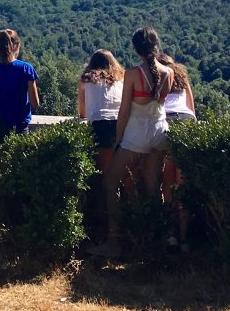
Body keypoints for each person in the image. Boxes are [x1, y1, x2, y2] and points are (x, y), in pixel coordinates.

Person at [90, 27, 174, 257]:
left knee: (110, 183)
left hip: (137, 135)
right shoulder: (169, 72)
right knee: (152, 186)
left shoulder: (133, 74)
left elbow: (125, 110)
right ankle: (156, 240)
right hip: (160, 132)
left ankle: (115, 240)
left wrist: (118, 140)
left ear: (136, 48)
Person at [159, 53, 196, 252]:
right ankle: (185, 237)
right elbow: (191, 108)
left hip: (167, 122)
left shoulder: (157, 80)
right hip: (186, 122)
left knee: (167, 184)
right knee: (182, 184)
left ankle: (170, 233)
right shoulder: (183, 80)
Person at [77, 49, 124, 173]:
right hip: (120, 123)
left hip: (100, 122)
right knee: (121, 170)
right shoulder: (121, 80)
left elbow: (82, 111)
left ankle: (107, 192)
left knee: (103, 169)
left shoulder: (86, 79)